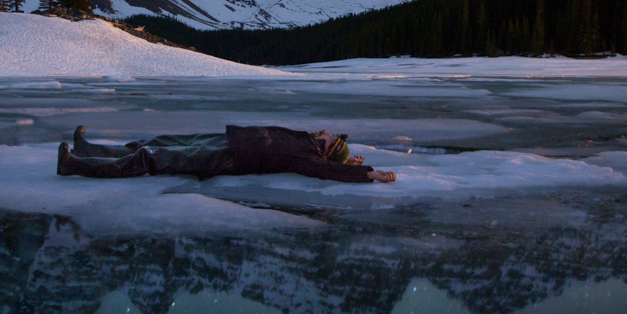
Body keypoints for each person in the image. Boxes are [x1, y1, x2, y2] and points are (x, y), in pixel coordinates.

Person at [56, 125, 397, 183]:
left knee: (154, 158)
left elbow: (330, 172)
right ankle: (90, 149)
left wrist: (365, 173)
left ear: (329, 148)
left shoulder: (308, 159)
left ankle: (76, 166)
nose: (326, 132)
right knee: (160, 140)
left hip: (228, 159)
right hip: (230, 140)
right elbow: (337, 164)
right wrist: (350, 161)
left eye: (330, 136)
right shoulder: (307, 142)